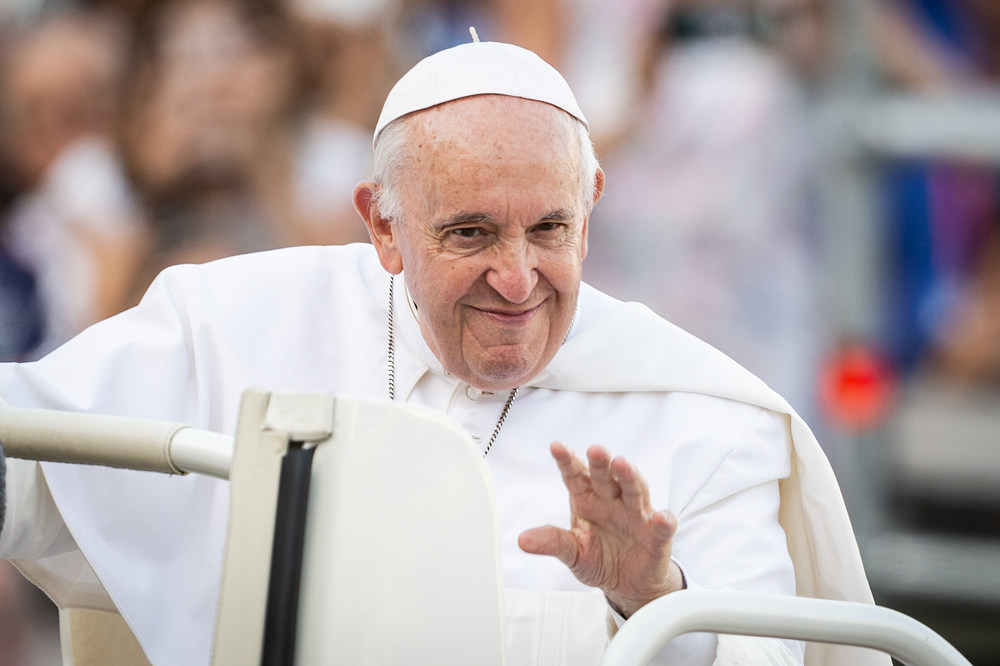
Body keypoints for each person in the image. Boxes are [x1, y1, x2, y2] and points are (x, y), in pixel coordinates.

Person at [0, 39, 884, 665]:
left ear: (594, 203)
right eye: (470, 233)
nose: (516, 278)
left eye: (550, 229)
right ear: (382, 224)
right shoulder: (232, 321)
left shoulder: (705, 416)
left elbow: (770, 654)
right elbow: (29, 455)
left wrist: (655, 597)